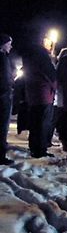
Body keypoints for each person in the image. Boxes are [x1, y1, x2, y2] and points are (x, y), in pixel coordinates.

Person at [22, 44, 56, 158]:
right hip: (44, 94)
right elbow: (52, 76)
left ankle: (34, 147)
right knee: (43, 123)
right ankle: (41, 149)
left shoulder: (29, 61)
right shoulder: (44, 62)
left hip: (32, 95)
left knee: (35, 123)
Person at [0, 34, 14, 165]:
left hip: (4, 94)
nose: (11, 46)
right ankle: (1, 155)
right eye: (9, 43)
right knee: (2, 126)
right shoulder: (3, 59)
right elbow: (4, 79)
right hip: (3, 97)